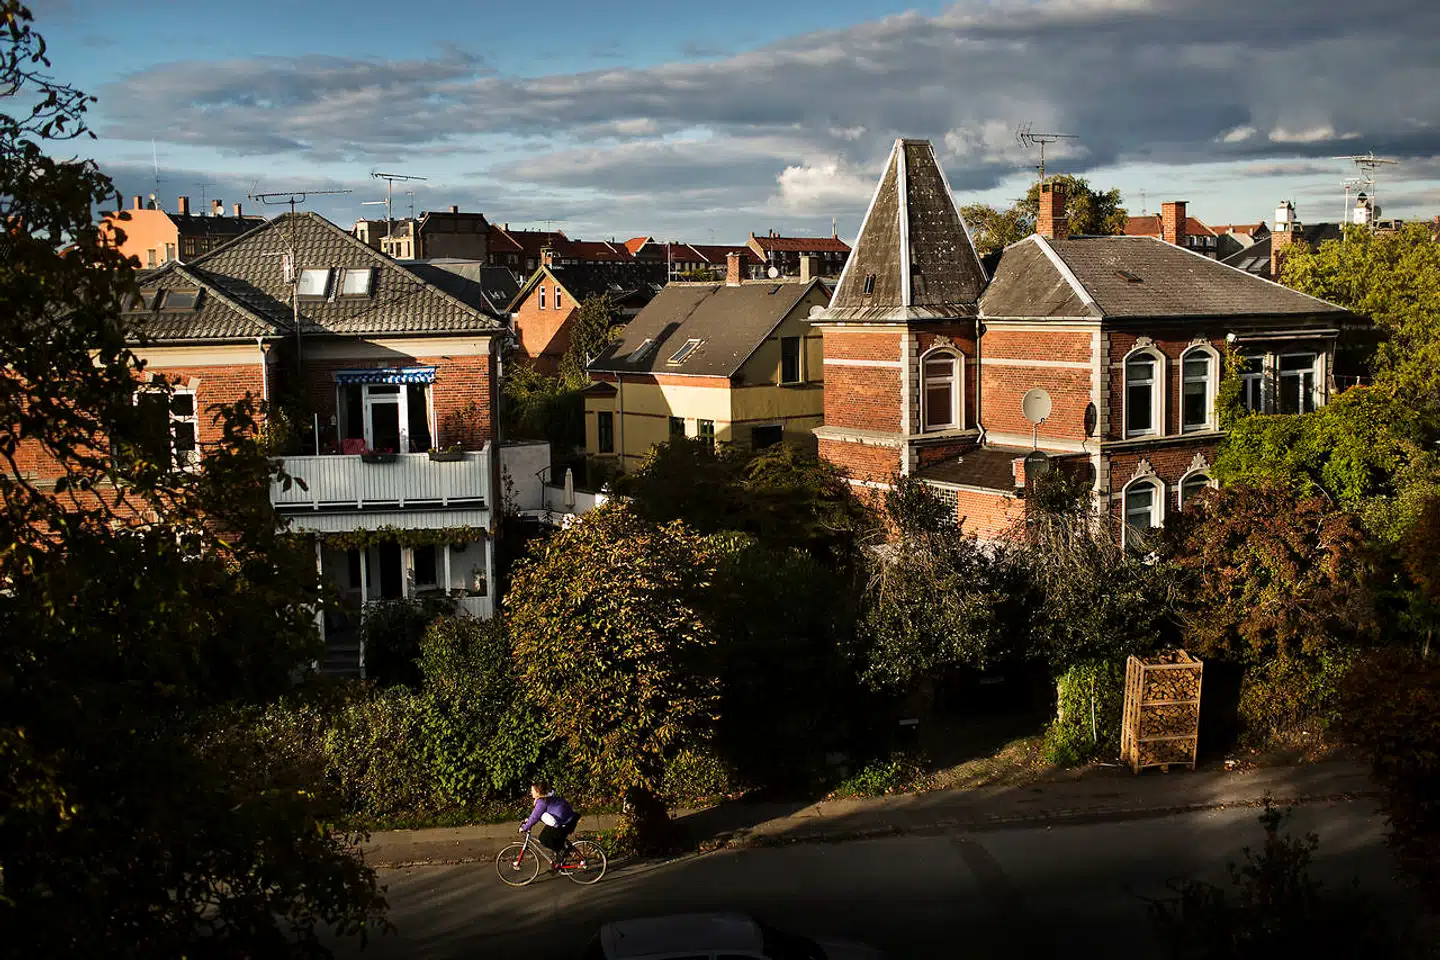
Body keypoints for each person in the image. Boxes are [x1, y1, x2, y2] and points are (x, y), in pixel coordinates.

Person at [520, 782, 579, 866]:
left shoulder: (542, 802)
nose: (531, 792)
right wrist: (529, 820)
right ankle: (561, 857)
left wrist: (524, 828)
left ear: (537, 792)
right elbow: (541, 814)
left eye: (532, 790)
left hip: (565, 823)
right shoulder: (548, 796)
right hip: (568, 818)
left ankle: (563, 853)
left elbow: (535, 817)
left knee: (544, 839)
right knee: (550, 836)